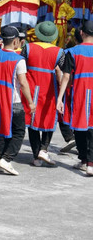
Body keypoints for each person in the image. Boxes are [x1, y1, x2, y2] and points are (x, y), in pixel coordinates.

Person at [0, 25, 33, 175]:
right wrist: (30, 102)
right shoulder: (19, 60)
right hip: (13, 100)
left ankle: (0, 159)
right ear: (16, 41)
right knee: (18, 132)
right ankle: (7, 158)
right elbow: (23, 83)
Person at [24, 21, 63, 166]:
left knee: (32, 119)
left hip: (31, 86)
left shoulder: (27, 47)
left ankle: (36, 156)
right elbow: (61, 71)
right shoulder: (59, 52)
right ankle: (44, 149)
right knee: (48, 117)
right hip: (49, 88)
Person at [57, 20, 93, 176]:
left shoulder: (72, 51)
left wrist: (60, 98)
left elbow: (66, 77)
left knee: (79, 125)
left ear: (81, 33)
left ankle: (85, 160)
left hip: (79, 92)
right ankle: (90, 163)